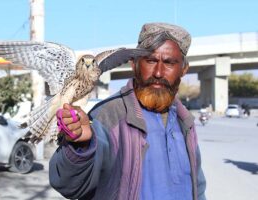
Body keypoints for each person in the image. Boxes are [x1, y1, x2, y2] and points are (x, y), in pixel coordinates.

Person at [49, 22, 206, 200]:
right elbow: (67, 184)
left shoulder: (184, 121)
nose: (159, 72)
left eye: (169, 63)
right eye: (151, 60)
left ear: (184, 69)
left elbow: (197, 187)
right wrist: (81, 146)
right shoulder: (108, 115)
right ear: (134, 64)